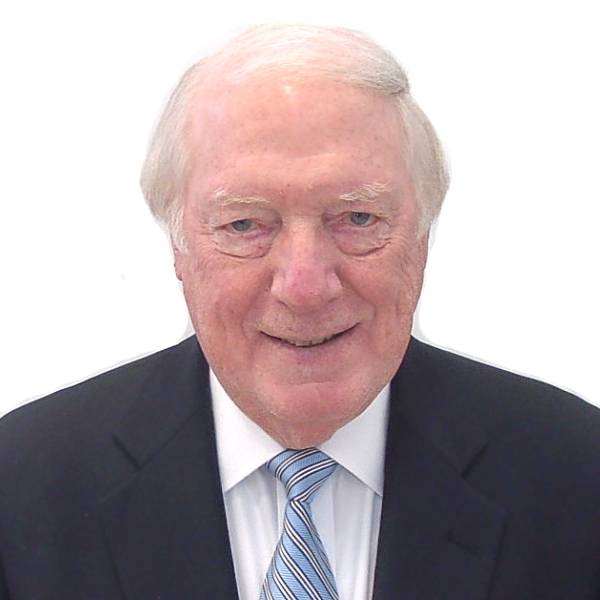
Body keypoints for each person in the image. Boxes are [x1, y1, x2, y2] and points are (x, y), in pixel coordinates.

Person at [0, 23, 599, 600]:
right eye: (244, 224)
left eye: (358, 218)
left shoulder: (578, 476)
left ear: (422, 239)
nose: (305, 287)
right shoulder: (21, 490)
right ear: (179, 249)